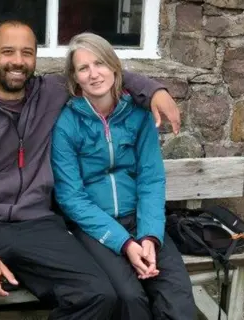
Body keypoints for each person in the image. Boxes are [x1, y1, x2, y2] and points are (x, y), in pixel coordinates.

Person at [0, 18, 181, 320]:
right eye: (8, 52)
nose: (18, 62)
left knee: (99, 295)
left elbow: (105, 73)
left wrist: (155, 91)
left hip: (37, 224)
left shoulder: (51, 91)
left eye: (27, 53)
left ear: (36, 58)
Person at [51, 32, 195, 320]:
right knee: (129, 298)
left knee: (176, 296)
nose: (94, 74)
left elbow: (151, 180)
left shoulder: (139, 116)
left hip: (140, 218)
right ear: (74, 78)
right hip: (95, 227)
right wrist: (125, 243)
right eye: (83, 68)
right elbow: (71, 197)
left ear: (115, 67)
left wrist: (150, 236)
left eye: (100, 63)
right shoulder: (67, 124)